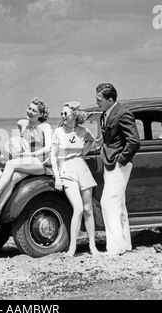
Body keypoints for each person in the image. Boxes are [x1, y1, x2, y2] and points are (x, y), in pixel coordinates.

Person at [0, 97, 52, 228]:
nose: (30, 112)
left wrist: (31, 153)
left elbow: (48, 148)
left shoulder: (45, 126)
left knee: (10, 164)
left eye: (34, 110)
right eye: (29, 108)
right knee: (12, 178)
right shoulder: (22, 124)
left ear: (41, 114)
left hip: (41, 162)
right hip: (27, 162)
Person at [95, 83, 140, 255]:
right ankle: (124, 244)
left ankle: (114, 248)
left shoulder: (123, 113)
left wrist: (121, 160)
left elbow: (134, 141)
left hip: (118, 164)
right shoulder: (106, 114)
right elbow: (109, 139)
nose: (97, 102)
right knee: (119, 205)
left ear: (110, 99)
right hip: (110, 163)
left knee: (108, 202)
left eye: (99, 100)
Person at [51, 101, 99, 256]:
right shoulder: (58, 132)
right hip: (66, 170)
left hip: (82, 168)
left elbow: (93, 141)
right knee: (77, 208)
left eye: (65, 114)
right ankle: (72, 247)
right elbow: (53, 156)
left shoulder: (83, 131)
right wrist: (57, 177)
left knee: (88, 209)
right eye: (61, 114)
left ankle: (92, 245)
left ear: (74, 115)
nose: (62, 116)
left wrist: (84, 152)